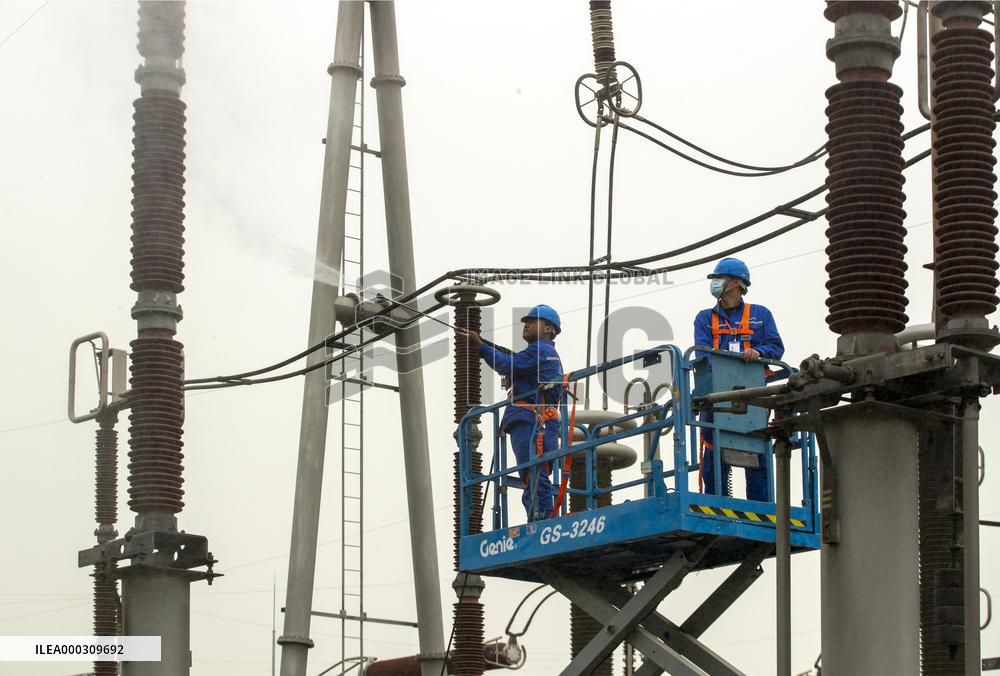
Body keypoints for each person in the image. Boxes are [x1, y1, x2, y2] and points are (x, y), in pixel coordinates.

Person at [457, 305, 564, 521]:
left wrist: (481, 347)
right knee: (533, 476)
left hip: (533, 423)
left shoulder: (540, 351)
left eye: (532, 321)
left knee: (534, 475)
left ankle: (542, 520)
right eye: (526, 321)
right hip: (537, 422)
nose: (526, 325)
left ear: (548, 328)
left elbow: (507, 365)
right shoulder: (541, 353)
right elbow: (515, 364)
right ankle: (539, 518)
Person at [693, 258, 784, 501]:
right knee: (713, 451)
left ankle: (761, 507)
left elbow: (776, 347)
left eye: (719, 279)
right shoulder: (705, 318)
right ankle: (717, 504)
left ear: (735, 283)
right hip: (716, 396)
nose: (715, 284)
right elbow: (702, 354)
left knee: (755, 449)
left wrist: (759, 352)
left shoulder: (761, 315)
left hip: (753, 396)